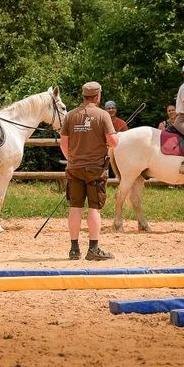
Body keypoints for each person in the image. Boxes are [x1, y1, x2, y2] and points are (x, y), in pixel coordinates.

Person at [60, 81, 119, 261]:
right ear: (98, 96)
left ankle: (74, 249)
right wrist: (110, 140)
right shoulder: (102, 115)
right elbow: (114, 142)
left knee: (75, 207)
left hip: (74, 167)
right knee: (94, 208)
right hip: (95, 169)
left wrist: (72, 158)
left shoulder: (70, 116)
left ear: (83, 95)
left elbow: (64, 143)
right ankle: (93, 248)